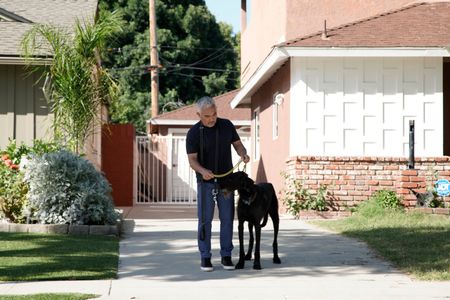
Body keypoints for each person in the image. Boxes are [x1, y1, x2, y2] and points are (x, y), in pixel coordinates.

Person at [186, 96, 250, 272]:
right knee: (205, 221)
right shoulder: (193, 133)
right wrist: (202, 171)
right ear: (199, 115)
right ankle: (205, 257)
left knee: (227, 219)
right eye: (207, 116)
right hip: (205, 183)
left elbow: (238, 145)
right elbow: (192, 160)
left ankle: (226, 256)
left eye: (214, 114)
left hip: (226, 182)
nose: (211, 118)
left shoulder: (227, 125)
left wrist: (243, 153)